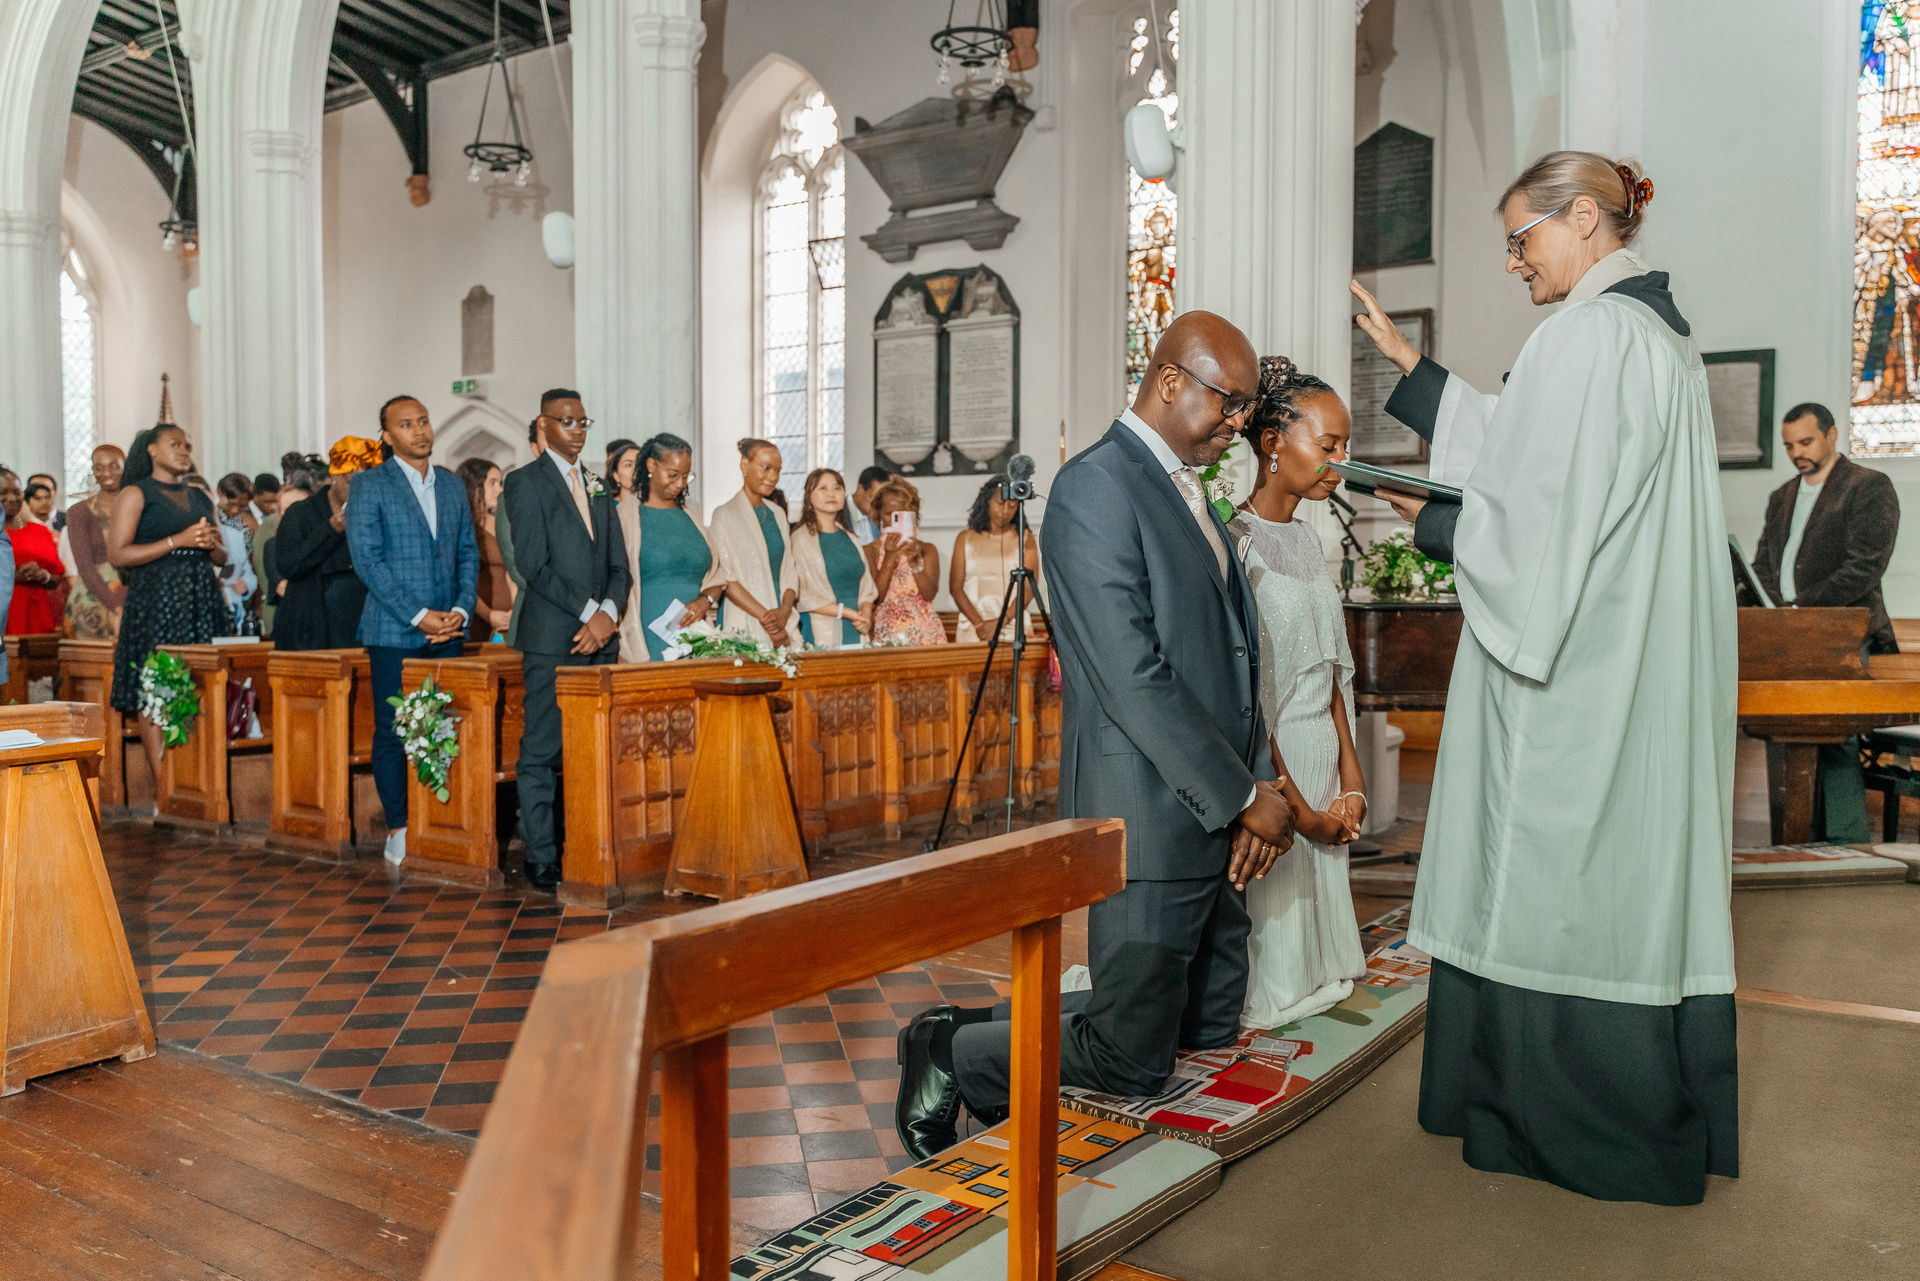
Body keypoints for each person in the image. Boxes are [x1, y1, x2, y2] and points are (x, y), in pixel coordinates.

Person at [1354, 150, 1737, 1205]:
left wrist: (1437, 522)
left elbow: (1538, 519)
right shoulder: (1652, 334)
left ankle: (1556, 1121)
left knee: (1553, 877)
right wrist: (1415, 371)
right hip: (1631, 656)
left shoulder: (1590, 336)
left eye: (1522, 238)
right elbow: (1533, 453)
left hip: (1580, 676)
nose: (1514, 260)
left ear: (1581, 218)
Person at [899, 311, 1295, 1158]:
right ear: (1170, 381)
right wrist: (1241, 794)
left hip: (1219, 807)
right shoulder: (1095, 486)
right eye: (1229, 403)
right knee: (1131, 1055)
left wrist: (1257, 783)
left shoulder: (1190, 490)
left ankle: (970, 1028)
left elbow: (1233, 655)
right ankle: (953, 1054)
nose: (1239, 424)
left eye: (1246, 409)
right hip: (1145, 809)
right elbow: (1130, 673)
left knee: (1202, 1023)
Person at [1226, 356, 1369, 1027]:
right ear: (1273, 443)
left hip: (1323, 750)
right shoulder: (1236, 543)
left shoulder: (1310, 540)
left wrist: (1352, 778)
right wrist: (1299, 809)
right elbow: (1249, 692)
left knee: (1326, 973)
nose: (1340, 462)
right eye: (1329, 445)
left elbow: (1333, 669)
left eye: (1345, 447)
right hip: (1276, 762)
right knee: (1277, 973)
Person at [1750, 402, 1901, 842]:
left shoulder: (1868, 486)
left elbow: (1864, 567)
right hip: (1786, 635)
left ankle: (1847, 845)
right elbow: (1763, 566)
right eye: (1789, 446)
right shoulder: (1782, 496)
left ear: (1832, 435)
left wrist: (1800, 608)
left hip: (1843, 632)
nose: (1797, 453)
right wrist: (1768, 608)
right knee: (1782, 732)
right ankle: (1796, 842)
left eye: (1806, 442)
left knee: (1836, 735)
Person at [501, 389, 629, 890]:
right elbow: (533, 565)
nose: (577, 431)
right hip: (555, 637)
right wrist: (591, 613)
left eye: (583, 422)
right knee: (541, 748)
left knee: (595, 749)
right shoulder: (525, 482)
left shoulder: (596, 483)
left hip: (601, 638)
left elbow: (619, 566)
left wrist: (609, 614)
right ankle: (541, 854)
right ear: (544, 424)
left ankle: (590, 843)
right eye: (567, 421)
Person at [346, 397, 479, 866]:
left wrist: (461, 609)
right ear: (386, 435)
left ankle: (440, 822)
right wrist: (419, 614)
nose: (419, 431)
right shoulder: (369, 485)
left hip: (449, 629)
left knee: (442, 726)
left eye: (423, 421)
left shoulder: (451, 484)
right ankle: (399, 827)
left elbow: (467, 552)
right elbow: (368, 561)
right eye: (406, 424)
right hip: (394, 630)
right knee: (394, 731)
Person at [106, 424, 230, 781]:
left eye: (187, 445)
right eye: (174, 444)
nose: (184, 451)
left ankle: (195, 783)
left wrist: (211, 544)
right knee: (157, 689)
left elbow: (222, 558)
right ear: (153, 450)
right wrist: (178, 540)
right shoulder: (136, 493)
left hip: (200, 599)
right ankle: (165, 787)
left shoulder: (200, 496)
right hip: (155, 601)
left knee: (199, 685)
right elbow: (118, 553)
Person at [616, 433, 725, 662]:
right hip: (644, 636)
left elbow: (717, 577)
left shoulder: (692, 517)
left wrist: (704, 601)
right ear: (651, 465)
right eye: (673, 475)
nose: (680, 484)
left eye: (686, 476)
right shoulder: (625, 517)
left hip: (694, 636)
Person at [270, 453, 367, 652]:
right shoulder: (300, 513)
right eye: (352, 478)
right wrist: (332, 528)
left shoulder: (371, 511)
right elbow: (289, 565)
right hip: (314, 624)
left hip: (361, 620)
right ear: (336, 476)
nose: (358, 488)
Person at [709, 438, 799, 646]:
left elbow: (789, 571)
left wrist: (785, 611)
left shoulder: (777, 513)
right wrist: (768, 620)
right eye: (766, 468)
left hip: (782, 616)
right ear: (744, 465)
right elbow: (727, 577)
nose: (773, 477)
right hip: (747, 616)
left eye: (778, 470)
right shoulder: (725, 515)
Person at [790, 467, 875, 648]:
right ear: (809, 496)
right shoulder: (800, 539)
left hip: (856, 626)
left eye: (837, 488)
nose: (831, 493)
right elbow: (804, 595)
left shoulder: (851, 538)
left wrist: (866, 613)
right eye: (823, 488)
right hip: (820, 630)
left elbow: (866, 586)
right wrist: (848, 613)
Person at [950, 476, 1039, 643]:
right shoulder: (965, 538)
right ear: (987, 502)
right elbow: (956, 588)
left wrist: (1002, 621)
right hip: (974, 627)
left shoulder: (1025, 538)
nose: (1005, 511)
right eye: (1000, 503)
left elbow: (1028, 589)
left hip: (1013, 624)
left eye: (1012, 506)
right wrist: (979, 624)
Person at [863, 478, 946, 646]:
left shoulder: (927, 549)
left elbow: (929, 595)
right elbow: (875, 598)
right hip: (886, 633)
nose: (896, 522)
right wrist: (889, 559)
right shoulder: (869, 550)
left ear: (913, 516)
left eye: (902, 515)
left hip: (925, 633)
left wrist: (915, 563)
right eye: (890, 515)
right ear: (879, 514)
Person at [62, 443, 126, 641]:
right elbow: (85, 566)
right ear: (93, 471)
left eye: (114, 467)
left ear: (125, 466)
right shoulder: (79, 512)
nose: (106, 473)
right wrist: (115, 606)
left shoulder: (138, 505)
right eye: (99, 468)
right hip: (93, 596)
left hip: (132, 590)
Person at [493, 417, 546, 648]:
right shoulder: (514, 494)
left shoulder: (590, 489)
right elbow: (517, 565)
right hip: (536, 616)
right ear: (534, 448)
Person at [455, 458, 515, 642]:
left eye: (500, 483)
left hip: (509, 622)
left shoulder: (503, 524)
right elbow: (460, 579)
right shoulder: (463, 527)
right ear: (474, 485)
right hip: (478, 622)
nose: (500, 490)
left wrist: (515, 609)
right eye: (492, 483)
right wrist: (489, 614)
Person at [3, 469, 66, 634]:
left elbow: (56, 579)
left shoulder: (40, 532)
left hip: (35, 615)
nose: (12, 498)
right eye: (3, 493)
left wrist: (42, 575)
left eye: (16, 492)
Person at [209, 473, 259, 635]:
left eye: (242, 506)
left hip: (238, 596)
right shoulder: (210, 520)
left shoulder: (247, 524)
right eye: (232, 504)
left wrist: (247, 585)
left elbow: (251, 564)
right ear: (219, 493)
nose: (236, 510)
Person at [250, 472, 282, 635]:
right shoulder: (246, 518)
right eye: (267, 501)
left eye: (276, 501)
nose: (272, 507)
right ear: (255, 496)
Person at [849, 465, 891, 544]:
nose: (878, 503)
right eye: (874, 497)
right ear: (860, 489)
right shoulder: (838, 512)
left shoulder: (878, 515)